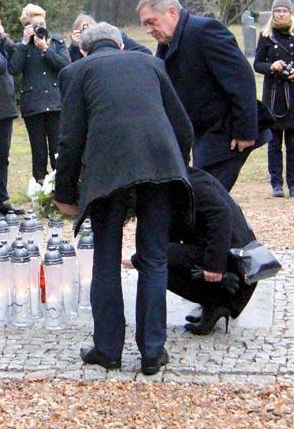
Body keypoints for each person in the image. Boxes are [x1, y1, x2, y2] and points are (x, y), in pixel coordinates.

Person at [53, 22, 193, 376]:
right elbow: (183, 127)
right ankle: (152, 352)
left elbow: (70, 139)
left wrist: (66, 195)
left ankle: (108, 348)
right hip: (159, 167)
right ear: (119, 44)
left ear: (84, 50)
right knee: (154, 258)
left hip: (108, 171)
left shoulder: (76, 72)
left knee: (106, 256)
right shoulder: (150, 64)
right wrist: (179, 167)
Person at [137, 0, 262, 191]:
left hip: (225, 133)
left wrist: (245, 131)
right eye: (145, 25)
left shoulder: (204, 31)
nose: (148, 30)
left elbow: (241, 79)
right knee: (208, 199)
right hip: (201, 135)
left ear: (172, 13)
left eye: (152, 22)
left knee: (207, 197)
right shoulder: (166, 45)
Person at [125, 167, 258, 335]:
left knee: (155, 260)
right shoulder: (183, 180)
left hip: (236, 275)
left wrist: (215, 266)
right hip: (228, 263)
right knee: (156, 258)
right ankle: (214, 305)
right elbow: (175, 232)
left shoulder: (192, 185)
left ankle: (219, 300)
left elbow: (221, 213)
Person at [253, 0, 294, 197]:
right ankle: (276, 184)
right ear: (273, 13)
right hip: (274, 92)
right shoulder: (265, 35)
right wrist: (272, 66)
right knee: (274, 143)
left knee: (293, 143)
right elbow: (257, 64)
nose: (281, 14)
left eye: (284, 10)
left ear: (290, 12)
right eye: (277, 11)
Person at [8, 3, 71, 183]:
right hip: (33, 105)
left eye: (42, 24)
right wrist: (23, 43)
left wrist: (45, 49)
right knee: (39, 153)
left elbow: (66, 67)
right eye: (35, 25)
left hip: (55, 103)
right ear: (27, 27)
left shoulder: (56, 42)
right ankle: (40, 192)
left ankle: (61, 190)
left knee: (58, 152)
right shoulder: (22, 47)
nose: (40, 28)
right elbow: (14, 69)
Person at [0, 2, 25, 214]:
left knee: (3, 157)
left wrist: (3, 37)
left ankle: (3, 198)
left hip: (5, 102)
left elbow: (15, 62)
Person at [68, 13, 150, 62]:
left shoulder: (116, 38)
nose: (91, 35)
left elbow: (146, 53)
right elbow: (70, 70)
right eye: (85, 32)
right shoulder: (75, 49)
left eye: (93, 30)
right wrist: (75, 47)